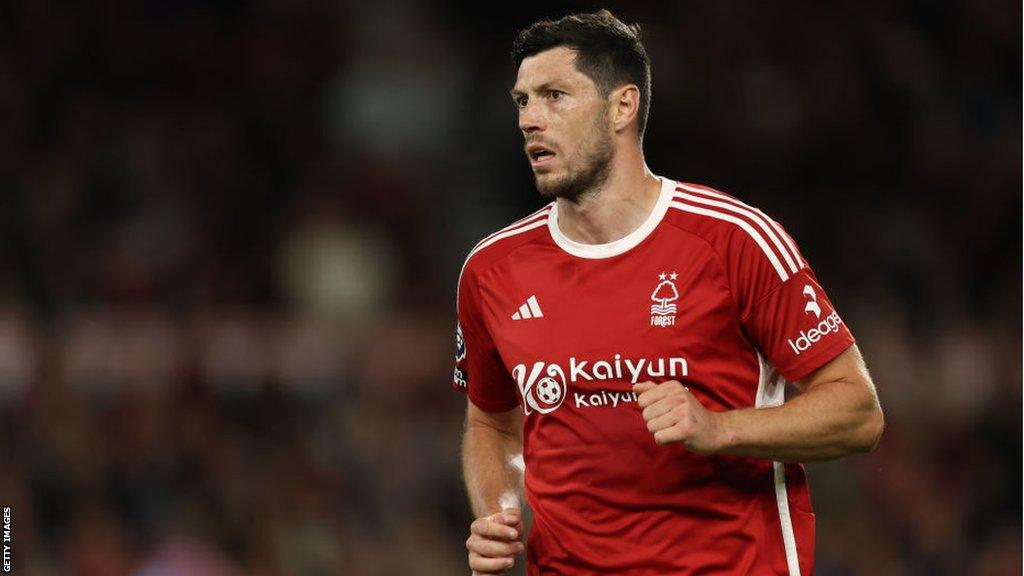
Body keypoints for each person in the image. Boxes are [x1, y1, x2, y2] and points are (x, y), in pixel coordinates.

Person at [453, 10, 884, 576]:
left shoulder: (733, 241)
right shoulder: (491, 270)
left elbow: (858, 412)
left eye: (555, 95)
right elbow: (490, 421)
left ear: (622, 107)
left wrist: (719, 427)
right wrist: (499, 509)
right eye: (522, 101)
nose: (531, 119)